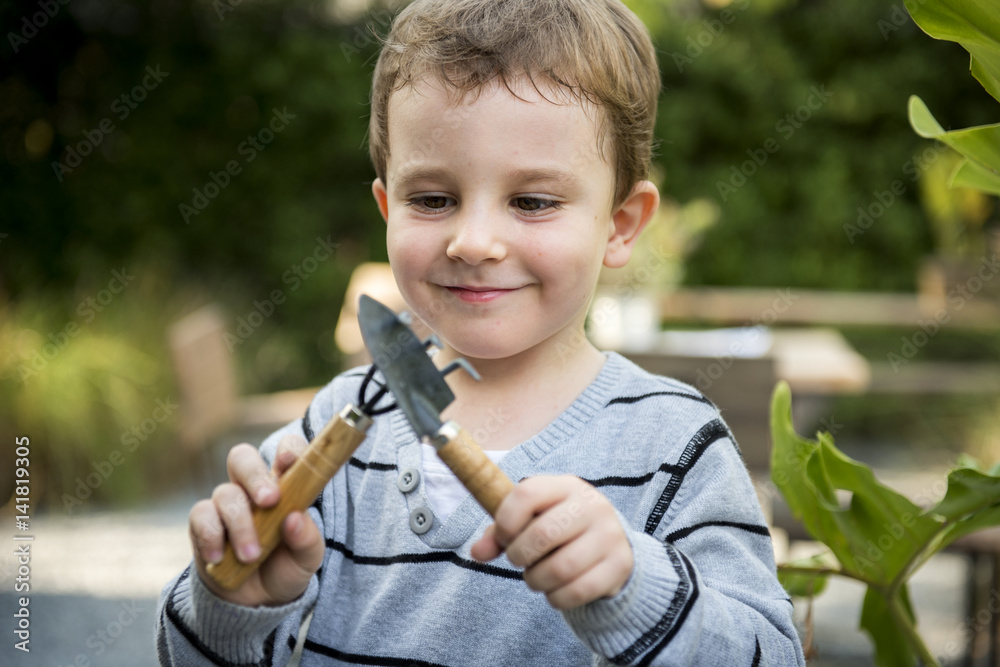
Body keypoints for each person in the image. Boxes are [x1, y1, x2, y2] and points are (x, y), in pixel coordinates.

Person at [156, 0, 806, 664]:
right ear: (387, 207)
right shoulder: (332, 433)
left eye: (532, 202)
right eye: (433, 199)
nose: (473, 242)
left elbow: (771, 654)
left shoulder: (675, 444)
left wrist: (636, 585)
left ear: (620, 224)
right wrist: (232, 605)